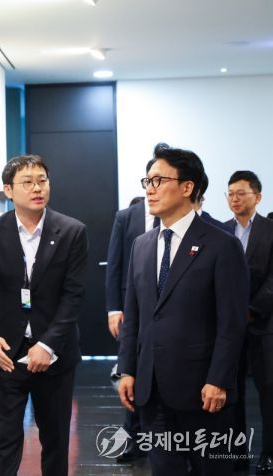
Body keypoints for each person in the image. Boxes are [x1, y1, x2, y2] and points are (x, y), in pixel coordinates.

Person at [117, 143, 249, 475]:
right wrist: (127, 370)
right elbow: (134, 317)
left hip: (203, 390)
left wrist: (219, 379)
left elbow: (231, 323)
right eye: (147, 181)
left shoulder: (222, 245)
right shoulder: (142, 246)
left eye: (158, 180)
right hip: (151, 390)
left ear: (188, 187)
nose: (150, 189)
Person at [0, 155, 88, 476]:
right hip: (7, 352)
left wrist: (47, 345)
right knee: (5, 438)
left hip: (55, 355)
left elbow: (73, 296)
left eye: (42, 181)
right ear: (8, 190)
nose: (37, 188)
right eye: (28, 182)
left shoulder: (72, 231)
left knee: (56, 439)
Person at [105, 159, 157, 463]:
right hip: (130, 310)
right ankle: (134, 439)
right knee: (130, 371)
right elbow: (114, 265)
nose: (153, 187)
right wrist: (114, 308)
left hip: (166, 310)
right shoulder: (126, 217)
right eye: (149, 180)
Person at [225, 170, 273, 474]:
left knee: (268, 391)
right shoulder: (222, 231)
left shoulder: (270, 229)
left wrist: (251, 310)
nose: (234, 199)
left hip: (264, 324)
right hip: (228, 327)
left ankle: (269, 453)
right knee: (232, 392)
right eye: (230, 194)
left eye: (241, 193)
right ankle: (236, 452)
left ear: (258, 196)